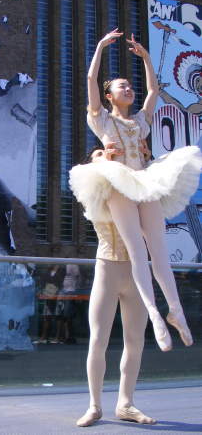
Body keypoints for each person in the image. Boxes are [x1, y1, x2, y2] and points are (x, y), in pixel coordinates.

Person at [69, 29, 202, 351]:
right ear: (109, 95)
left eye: (129, 86)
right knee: (138, 252)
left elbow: (154, 90)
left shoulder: (139, 122)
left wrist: (145, 58)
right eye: (121, 86)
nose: (128, 89)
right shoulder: (101, 119)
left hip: (144, 181)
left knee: (159, 249)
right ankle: (154, 313)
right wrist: (100, 45)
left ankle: (176, 311)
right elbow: (89, 80)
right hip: (118, 183)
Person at [77, 144, 156, 427]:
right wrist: (106, 164)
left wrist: (143, 161)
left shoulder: (133, 188)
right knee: (98, 339)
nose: (106, 154)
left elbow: (152, 201)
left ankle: (126, 403)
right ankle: (94, 405)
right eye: (97, 154)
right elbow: (97, 187)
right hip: (107, 268)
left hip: (137, 271)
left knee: (135, 340)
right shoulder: (91, 188)